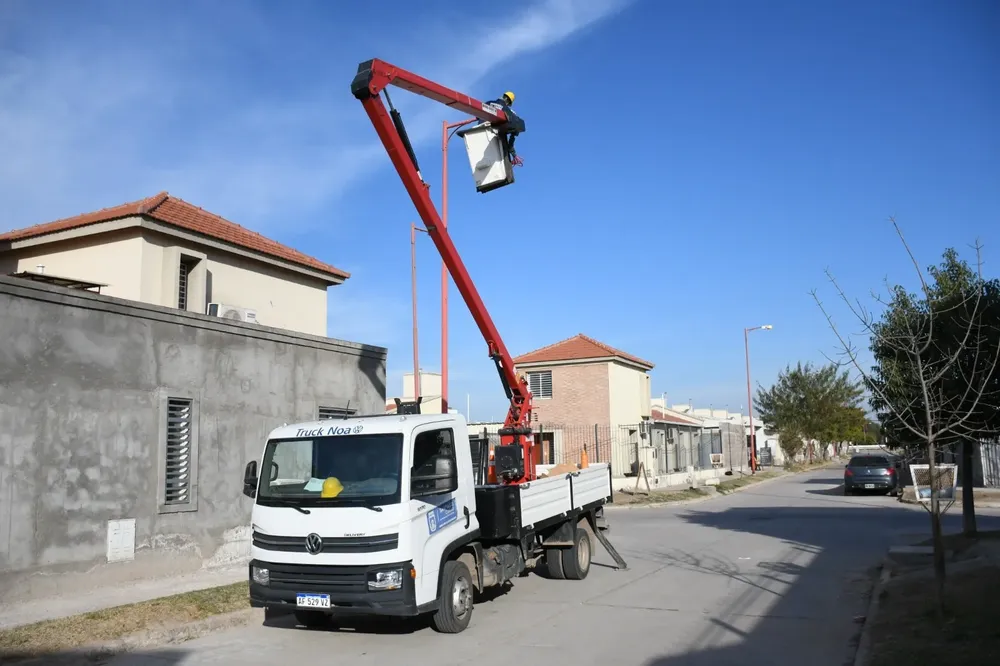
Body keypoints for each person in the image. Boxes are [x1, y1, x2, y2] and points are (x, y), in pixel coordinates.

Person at [485, 91, 525, 164]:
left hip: (482, 132)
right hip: (497, 140)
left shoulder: (488, 103)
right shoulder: (510, 112)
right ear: (508, 102)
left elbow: (478, 117)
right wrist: (514, 154)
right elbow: (516, 129)